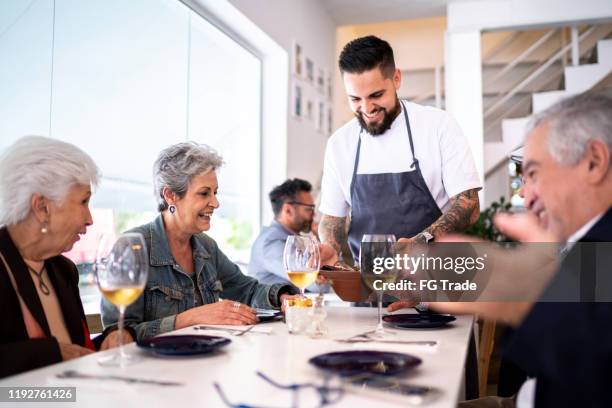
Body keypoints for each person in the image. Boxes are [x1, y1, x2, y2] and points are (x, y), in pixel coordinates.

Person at [428, 93, 612, 407]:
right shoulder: (582, 247)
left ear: (594, 161)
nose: (525, 197)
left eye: (534, 174)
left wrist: (531, 296)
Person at [101, 142, 299, 341]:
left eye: (215, 193)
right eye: (204, 193)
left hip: (205, 362)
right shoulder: (132, 247)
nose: (215, 203)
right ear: (170, 195)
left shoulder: (206, 247)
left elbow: (247, 290)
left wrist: (281, 296)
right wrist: (189, 319)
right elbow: (118, 334)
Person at [318, 35, 482, 266]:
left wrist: (421, 242)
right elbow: (332, 221)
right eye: (355, 99)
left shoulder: (438, 125)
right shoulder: (339, 144)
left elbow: (469, 205)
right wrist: (334, 258)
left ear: (396, 79)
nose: (366, 109)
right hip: (371, 289)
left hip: (437, 283)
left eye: (376, 95)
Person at [0, 136, 129, 378]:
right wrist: (51, 353)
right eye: (83, 201)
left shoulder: (63, 270)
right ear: (42, 207)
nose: (90, 219)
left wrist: (114, 337)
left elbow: (76, 350)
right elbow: (57, 353)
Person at [248, 178, 319, 289]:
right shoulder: (271, 242)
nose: (314, 215)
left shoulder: (290, 239)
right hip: (273, 307)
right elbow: (317, 284)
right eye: (309, 209)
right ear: (288, 210)